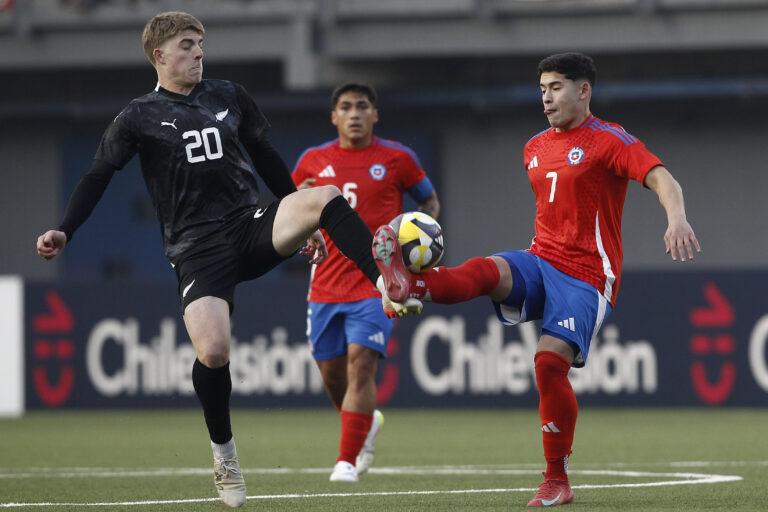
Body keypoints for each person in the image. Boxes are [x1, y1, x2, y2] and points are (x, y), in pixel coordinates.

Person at [36, 12, 387, 508]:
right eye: (187, 45)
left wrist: (301, 216)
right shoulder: (138, 115)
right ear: (159, 55)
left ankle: (385, 283)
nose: (199, 53)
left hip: (252, 223)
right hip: (196, 247)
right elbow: (98, 175)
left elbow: (265, 155)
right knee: (215, 352)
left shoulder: (229, 94)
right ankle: (224, 457)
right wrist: (64, 229)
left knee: (323, 195)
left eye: (201, 43)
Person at [373, 52, 701, 507]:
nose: (546, 97)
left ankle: (556, 480)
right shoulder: (534, 146)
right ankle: (409, 286)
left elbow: (661, 177)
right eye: (542, 88)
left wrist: (676, 219)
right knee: (487, 271)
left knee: (548, 365)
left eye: (556, 87)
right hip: (541, 257)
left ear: (583, 90)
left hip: (588, 275)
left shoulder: (610, 140)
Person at [292, 82, 440, 482]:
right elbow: (291, 208)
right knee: (333, 377)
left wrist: (417, 245)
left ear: (375, 114)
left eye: (362, 106)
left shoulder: (398, 158)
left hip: (377, 283)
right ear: (334, 116)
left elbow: (428, 202)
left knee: (361, 365)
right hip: (324, 285)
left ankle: (345, 463)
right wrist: (308, 232)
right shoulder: (312, 161)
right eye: (346, 107)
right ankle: (365, 423)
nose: (354, 113)